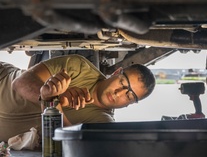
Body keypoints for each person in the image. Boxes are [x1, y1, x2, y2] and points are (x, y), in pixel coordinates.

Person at [0, 54, 156, 141]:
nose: (118, 93)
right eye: (122, 82)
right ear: (116, 73)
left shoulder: (102, 125)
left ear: (131, 103)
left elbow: (65, 142)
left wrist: (53, 102)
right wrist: (51, 95)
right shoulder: (79, 67)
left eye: (128, 95)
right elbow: (20, 83)